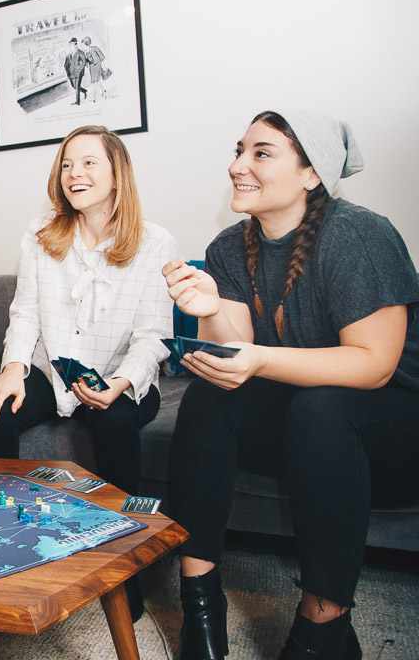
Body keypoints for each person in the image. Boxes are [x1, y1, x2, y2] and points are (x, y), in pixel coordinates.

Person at [162, 109, 419, 660]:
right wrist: (209, 312)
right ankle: (201, 608)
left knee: (320, 409)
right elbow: (238, 353)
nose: (237, 166)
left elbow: (373, 365)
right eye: (238, 151)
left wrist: (254, 358)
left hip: (395, 431)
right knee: (209, 396)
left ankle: (324, 625)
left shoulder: (359, 235)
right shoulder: (230, 246)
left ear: (311, 174)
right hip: (311, 428)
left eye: (261, 153)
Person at [0, 125, 176, 622]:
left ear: (116, 173)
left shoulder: (155, 241)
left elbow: (153, 336)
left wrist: (120, 384)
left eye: (88, 163)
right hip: (56, 367)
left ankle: (124, 575)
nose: (74, 174)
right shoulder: (41, 231)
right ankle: (6, 548)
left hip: (124, 374)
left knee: (112, 422)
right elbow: (25, 313)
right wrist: (13, 369)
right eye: (67, 164)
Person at [82, 36, 110, 101]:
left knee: (95, 82)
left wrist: (103, 66)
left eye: (82, 44)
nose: (82, 45)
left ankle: (94, 97)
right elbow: (86, 62)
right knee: (96, 80)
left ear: (86, 43)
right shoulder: (85, 52)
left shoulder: (94, 48)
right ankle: (103, 90)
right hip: (91, 67)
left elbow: (101, 56)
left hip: (97, 65)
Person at [64, 37, 88, 105]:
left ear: (75, 44)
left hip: (78, 73)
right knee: (74, 86)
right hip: (71, 73)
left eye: (71, 44)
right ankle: (84, 91)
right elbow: (65, 64)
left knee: (77, 86)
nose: (70, 46)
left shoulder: (80, 52)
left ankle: (78, 101)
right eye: (70, 44)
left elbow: (84, 62)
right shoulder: (68, 54)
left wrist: (80, 69)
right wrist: (67, 72)